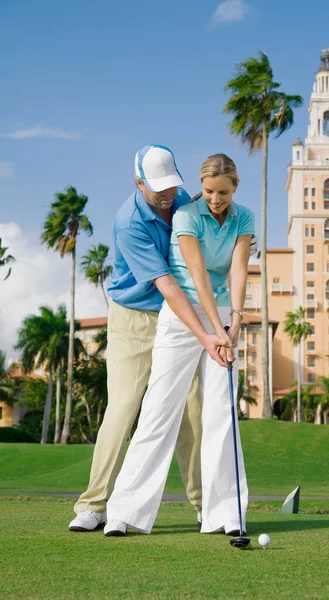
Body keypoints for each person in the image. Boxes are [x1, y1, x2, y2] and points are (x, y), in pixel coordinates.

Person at [69, 145, 233, 533]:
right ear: (138, 182)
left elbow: (207, 244)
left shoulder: (183, 205)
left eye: (171, 185)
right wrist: (207, 336)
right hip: (136, 318)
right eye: (157, 187)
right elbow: (166, 282)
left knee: (192, 413)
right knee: (125, 406)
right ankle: (93, 505)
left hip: (178, 318)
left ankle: (204, 504)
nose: (166, 194)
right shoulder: (129, 221)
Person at [104, 153, 253, 537]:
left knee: (220, 413)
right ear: (199, 188)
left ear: (235, 187)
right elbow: (198, 275)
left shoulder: (244, 218)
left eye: (222, 192)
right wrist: (211, 333)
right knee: (158, 410)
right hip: (183, 314)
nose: (215, 199)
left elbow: (238, 269)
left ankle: (228, 514)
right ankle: (125, 512)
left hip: (221, 316)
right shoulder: (187, 214)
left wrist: (234, 320)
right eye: (208, 191)